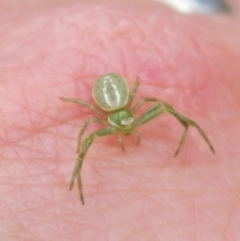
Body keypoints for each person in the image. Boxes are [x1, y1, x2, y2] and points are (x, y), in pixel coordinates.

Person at [0, 0, 239, 240]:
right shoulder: (103, 122)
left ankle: (191, 130)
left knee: (164, 106)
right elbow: (88, 130)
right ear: (112, 123)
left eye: (130, 123)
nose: (129, 127)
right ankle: (76, 179)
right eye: (125, 126)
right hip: (109, 100)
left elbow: (159, 104)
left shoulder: (134, 110)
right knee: (88, 143)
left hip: (117, 98)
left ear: (132, 116)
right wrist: (79, 142)